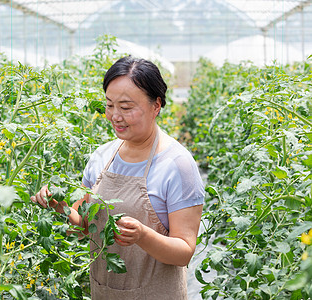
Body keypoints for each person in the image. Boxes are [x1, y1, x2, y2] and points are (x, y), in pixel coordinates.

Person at [31, 56, 204, 299]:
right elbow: (84, 226)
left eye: (126, 108)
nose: (115, 116)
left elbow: (184, 252)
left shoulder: (177, 165)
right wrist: (60, 207)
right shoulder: (101, 157)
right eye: (109, 105)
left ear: (156, 106)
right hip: (104, 292)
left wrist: (143, 236)